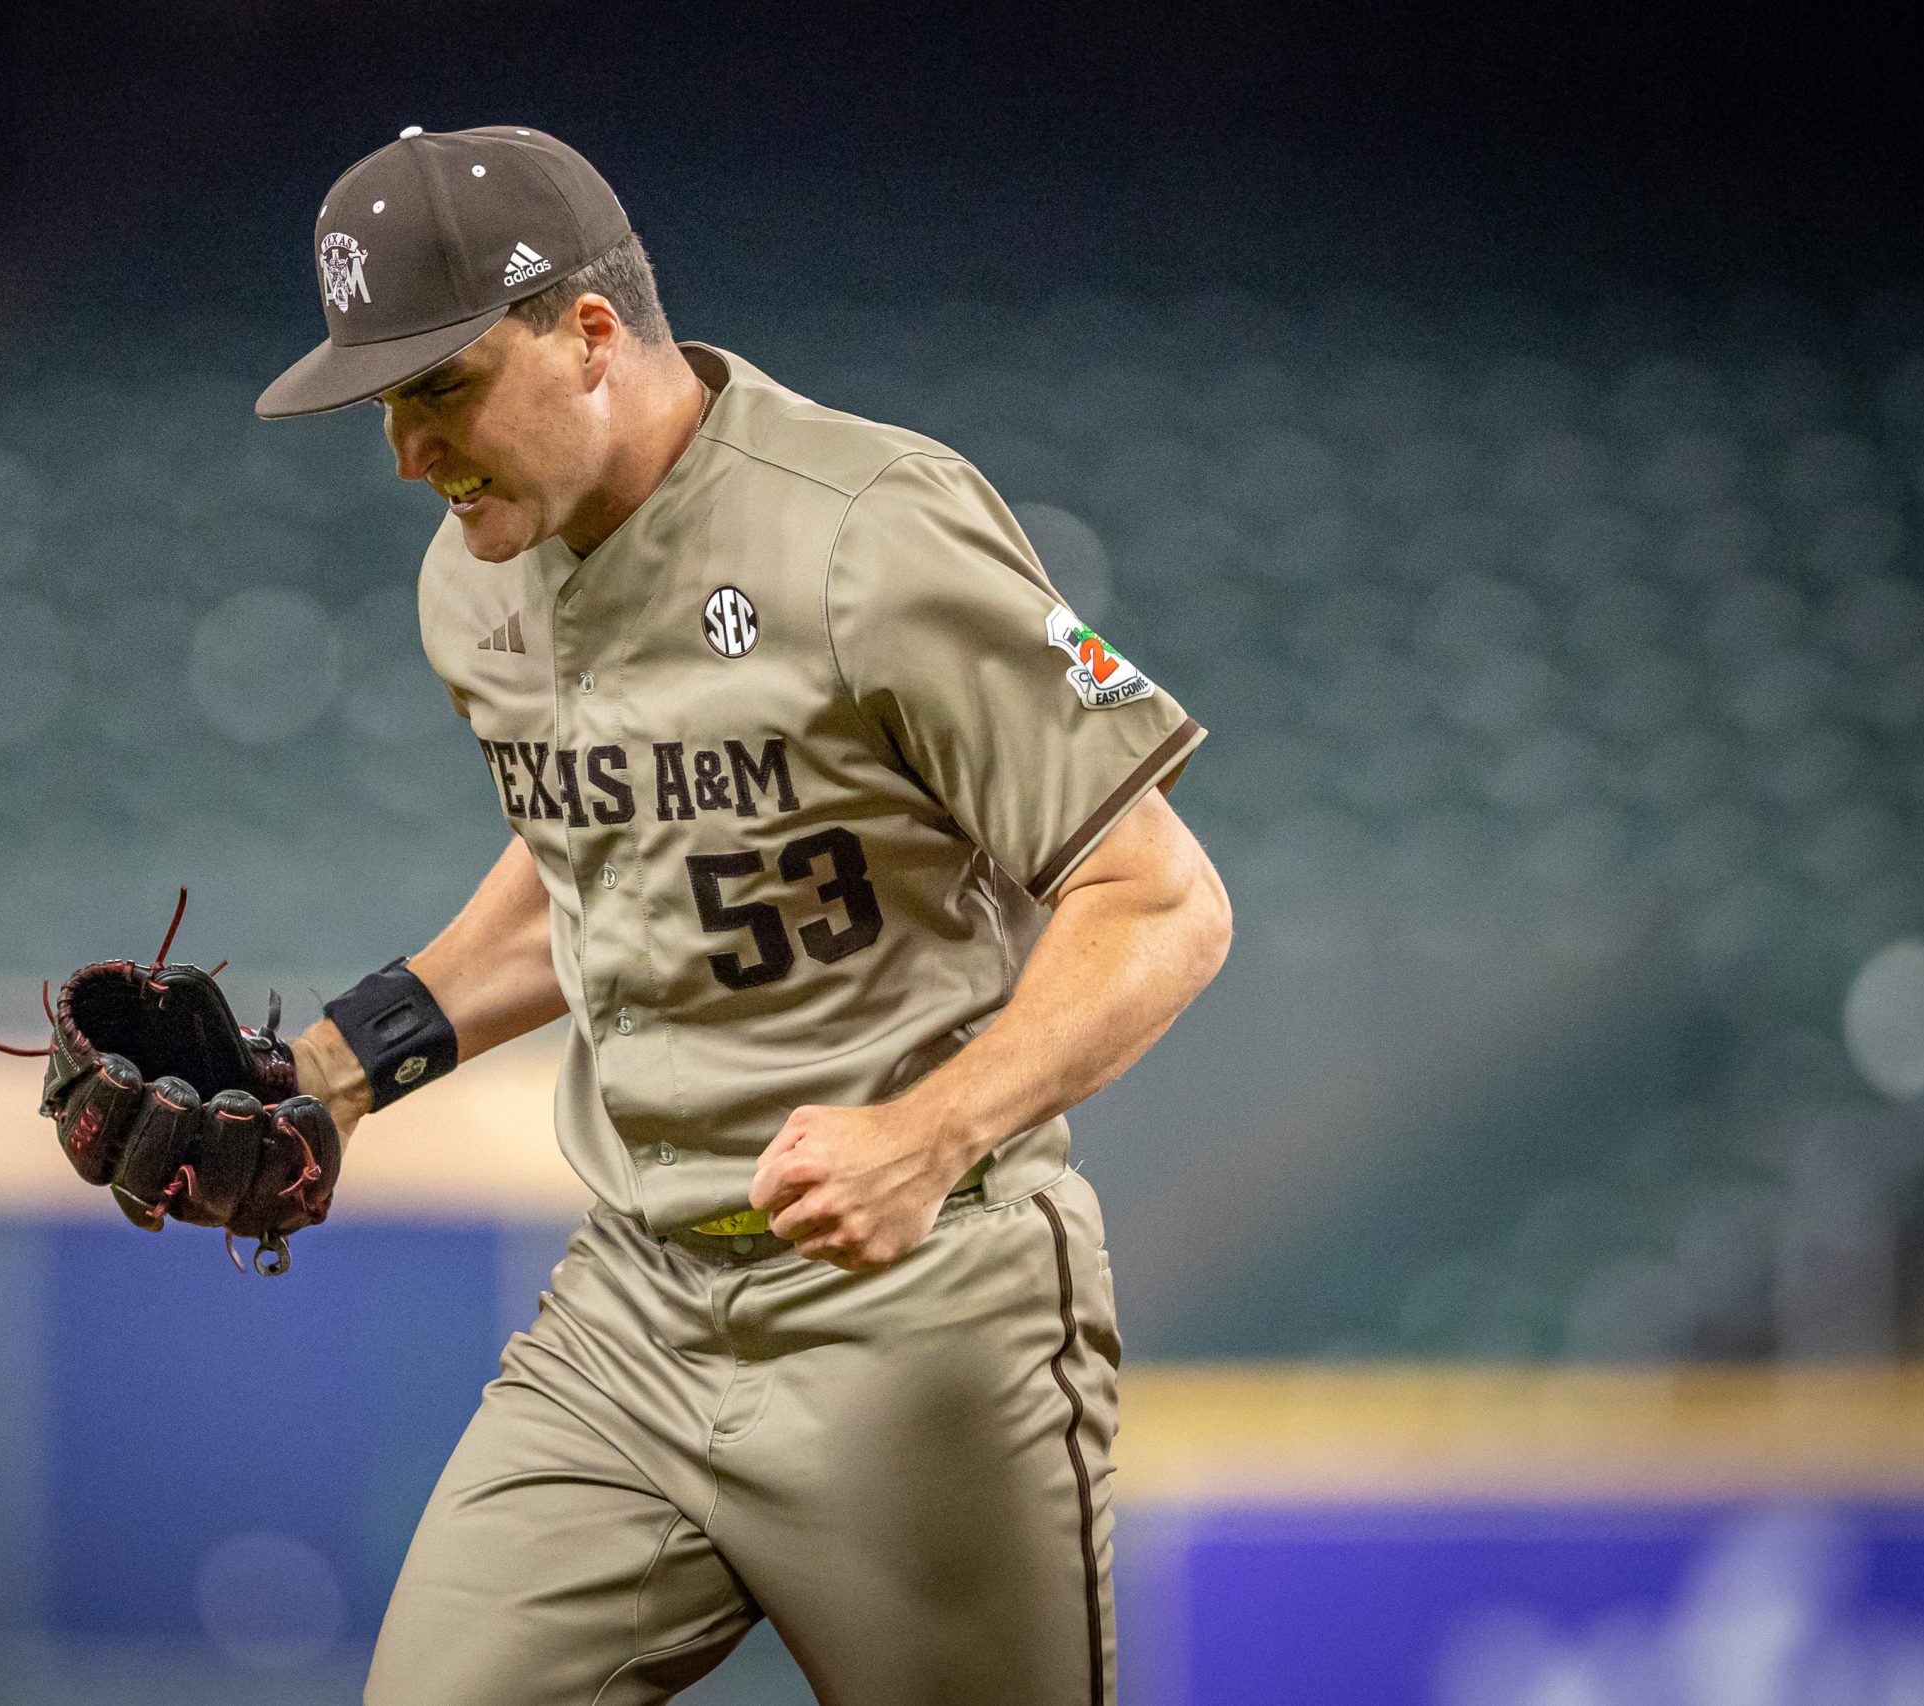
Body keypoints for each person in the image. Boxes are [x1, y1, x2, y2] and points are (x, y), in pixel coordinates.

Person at [258, 124, 1231, 1705]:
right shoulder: (476, 582)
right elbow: (605, 855)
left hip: (920, 1317)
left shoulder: (871, 530)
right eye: (384, 404)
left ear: (588, 338)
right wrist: (341, 1066)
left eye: (437, 388)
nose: (407, 454)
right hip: (632, 1312)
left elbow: (1165, 901)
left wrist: (929, 1129)